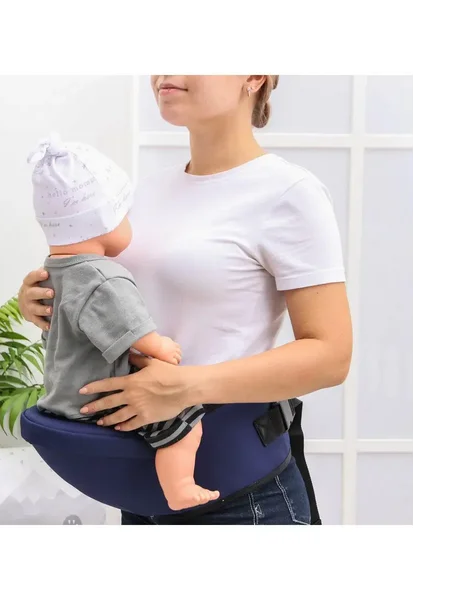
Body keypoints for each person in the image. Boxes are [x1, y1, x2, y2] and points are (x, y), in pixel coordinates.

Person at [18, 75, 353, 525]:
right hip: (138, 488)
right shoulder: (141, 193)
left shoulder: (288, 192)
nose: (165, 74)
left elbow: (331, 356)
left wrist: (185, 387)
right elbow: (110, 301)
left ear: (254, 76)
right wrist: (45, 298)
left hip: (240, 500)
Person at [27, 136, 219, 511]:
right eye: (124, 215)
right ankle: (180, 486)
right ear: (101, 222)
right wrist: (160, 347)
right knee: (185, 424)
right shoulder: (104, 276)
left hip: (62, 395)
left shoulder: (49, 274)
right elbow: (132, 327)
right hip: (99, 399)